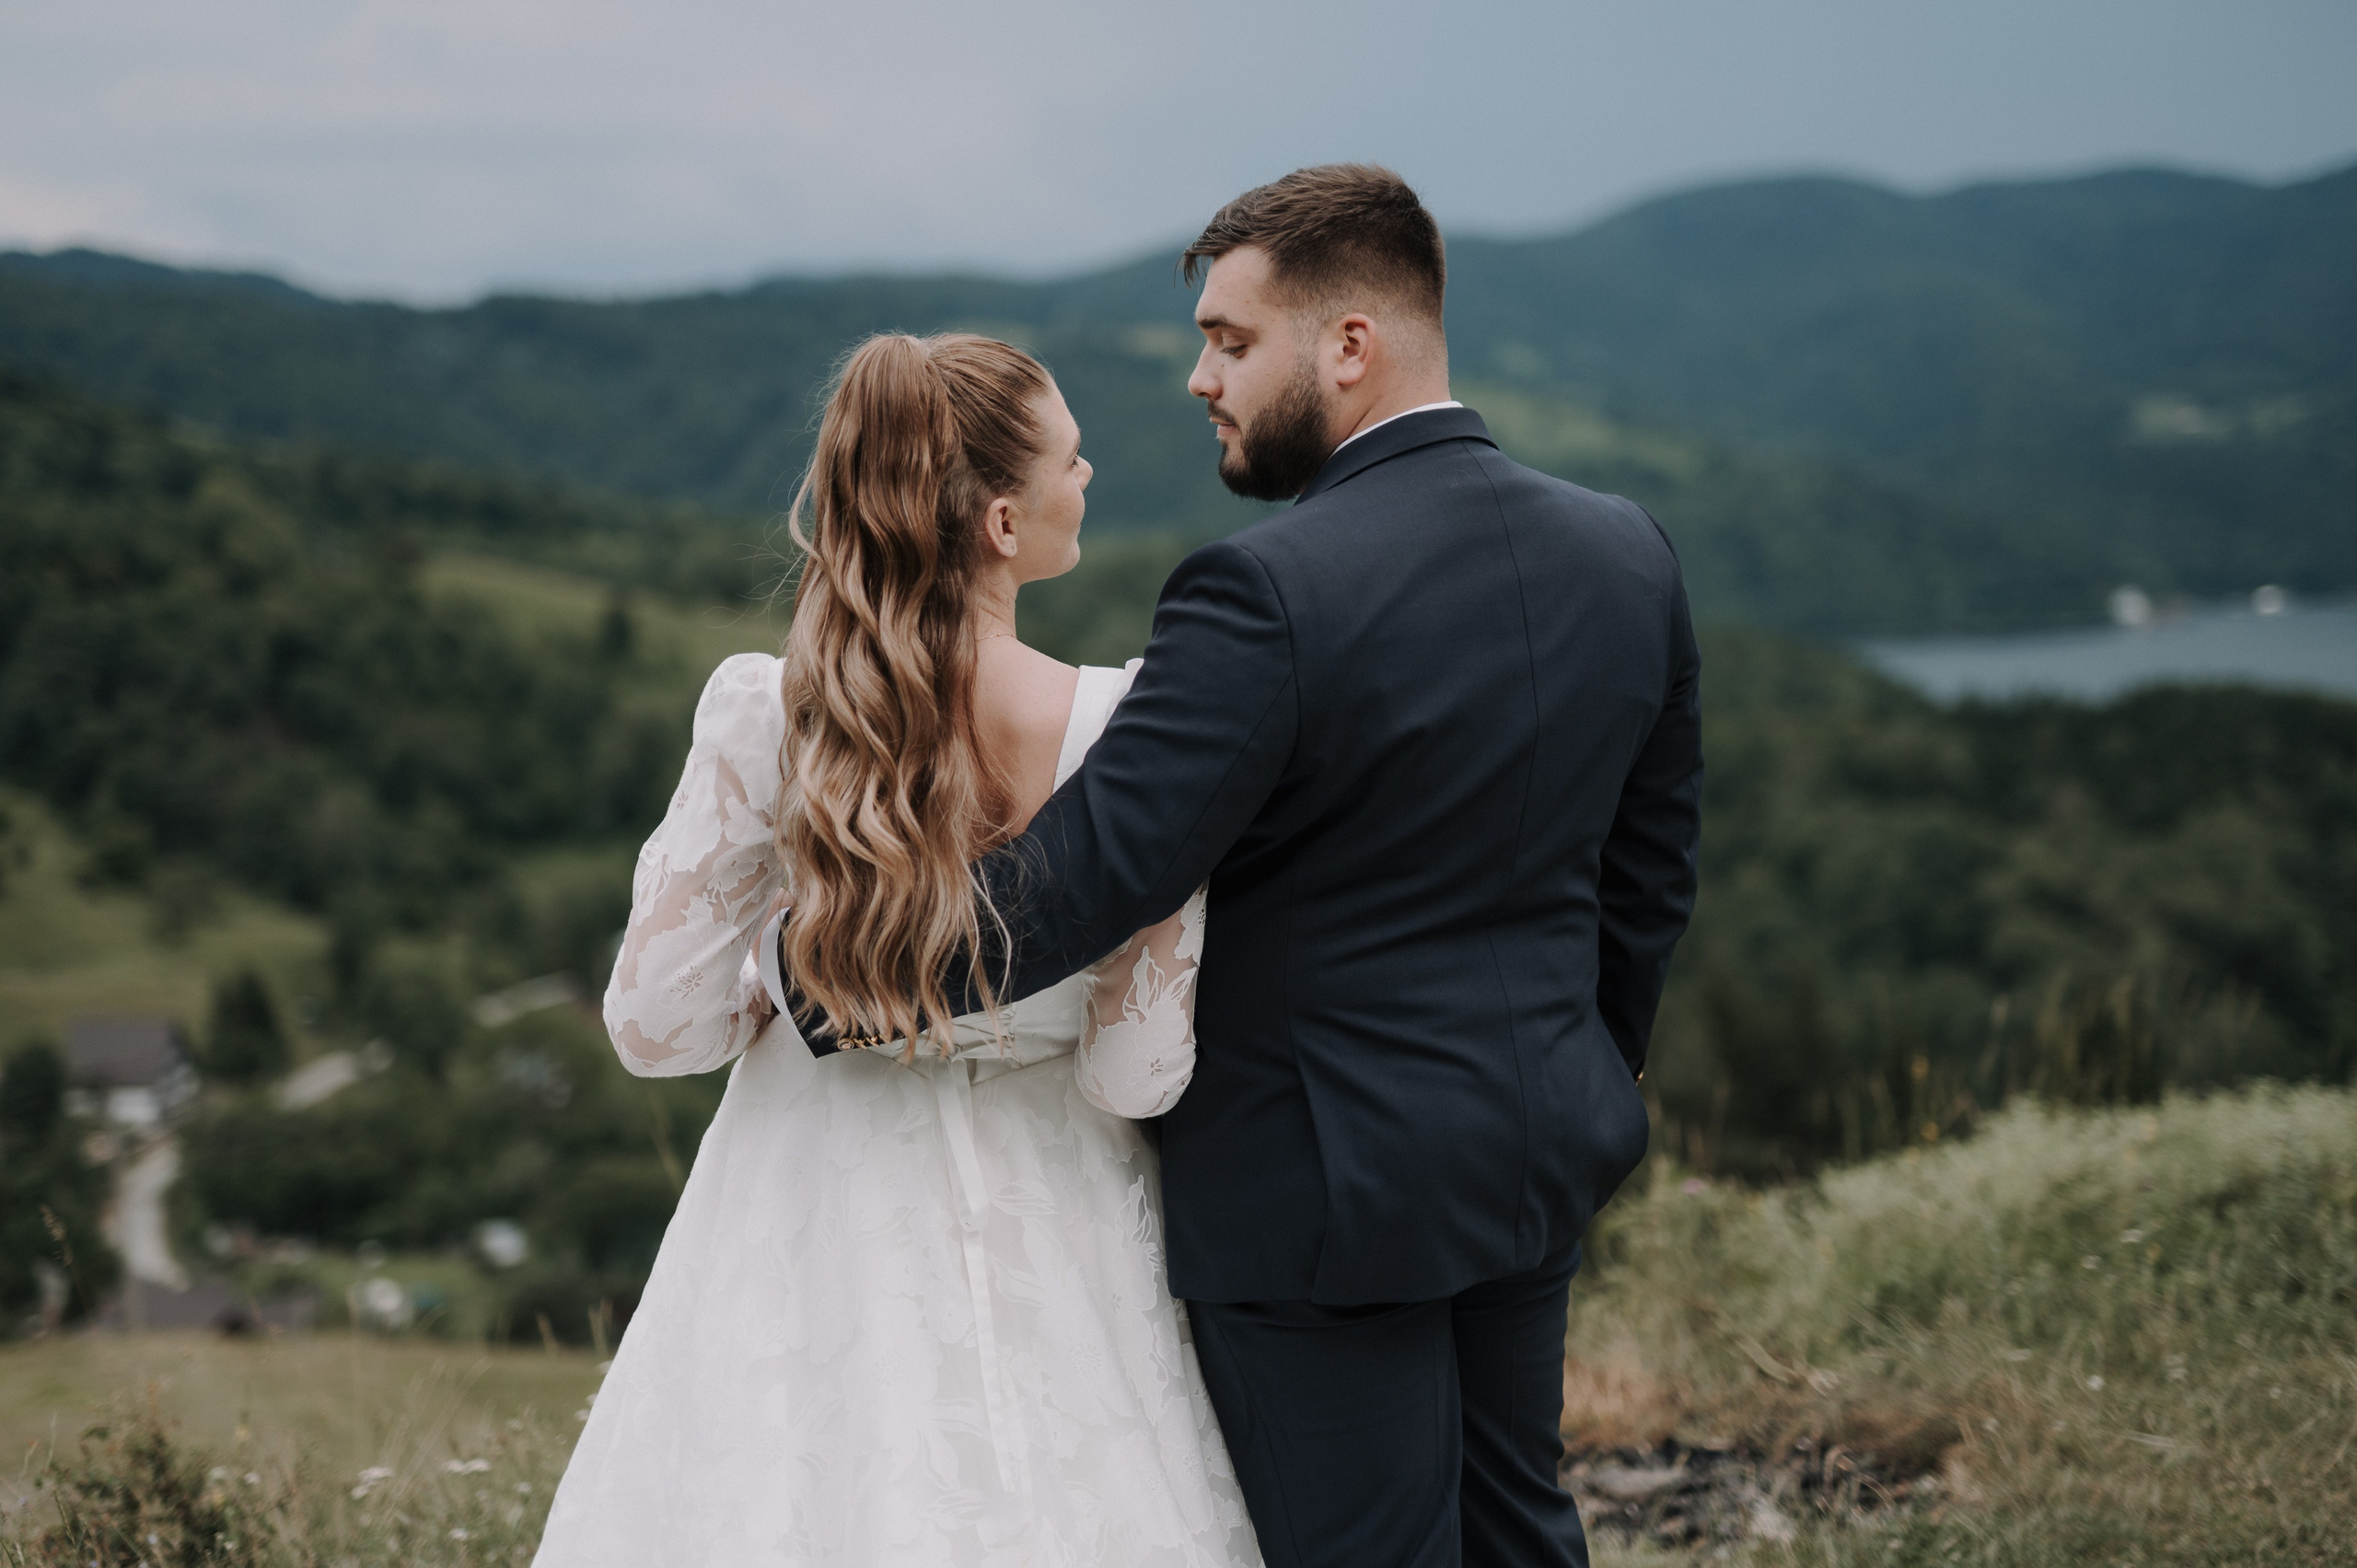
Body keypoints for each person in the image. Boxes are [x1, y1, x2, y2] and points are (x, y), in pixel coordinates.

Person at [891, 165, 1705, 1568]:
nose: (1202, 379)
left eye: (1230, 341)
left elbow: (1092, 880)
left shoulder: (1263, 591)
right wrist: (1579, 1064)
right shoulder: (1625, 552)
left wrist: (820, 971)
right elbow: (1651, 870)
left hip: (1319, 1200)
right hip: (1531, 1154)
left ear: (1348, 345)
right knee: (1522, 1532)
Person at [535, 332, 1261, 1567]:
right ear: (997, 520)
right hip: (1064, 1221)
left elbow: (659, 1029)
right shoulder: (1124, 731)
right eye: (1070, 462)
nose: (1087, 478)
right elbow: (1135, 1074)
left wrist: (788, 959)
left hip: (806, 1212)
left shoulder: (767, 716)